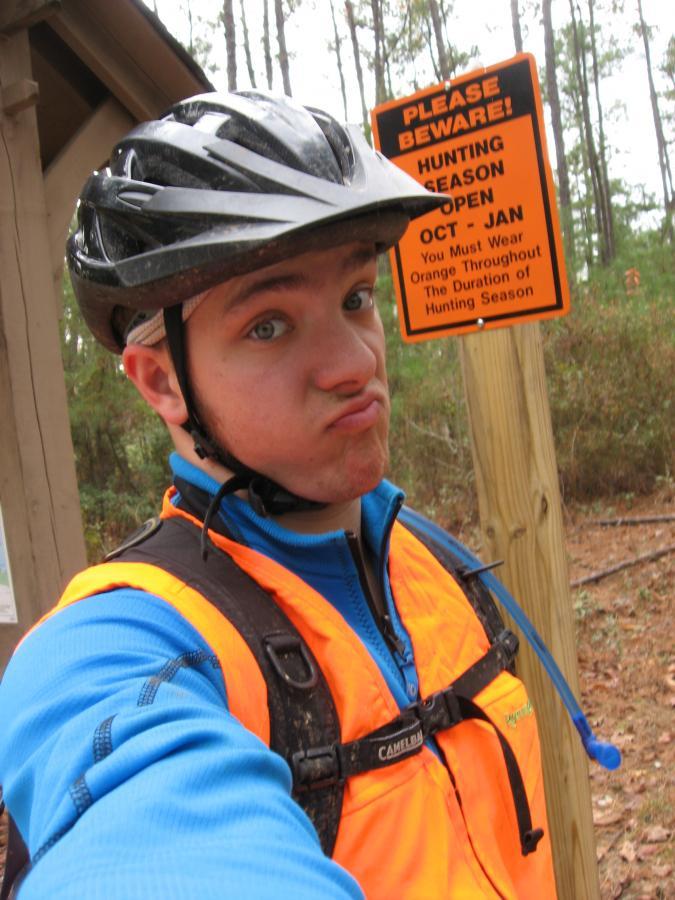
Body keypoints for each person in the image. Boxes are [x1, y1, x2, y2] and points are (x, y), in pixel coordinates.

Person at [0, 91, 556, 899]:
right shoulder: (117, 641)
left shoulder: (427, 558)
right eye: (269, 324)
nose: (352, 362)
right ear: (161, 380)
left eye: (355, 298)